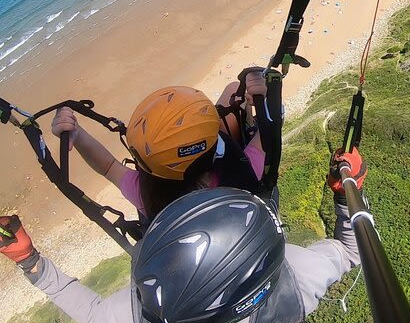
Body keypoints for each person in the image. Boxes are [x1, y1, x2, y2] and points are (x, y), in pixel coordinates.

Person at [0, 148, 368, 323]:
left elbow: (94, 314)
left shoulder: (142, 319)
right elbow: (352, 252)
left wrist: (30, 262)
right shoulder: (300, 274)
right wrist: (346, 193)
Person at [51, 73, 269, 220]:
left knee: (231, 94)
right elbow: (266, 136)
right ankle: (238, 122)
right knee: (233, 89)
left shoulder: (148, 196)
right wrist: (262, 101)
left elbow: (108, 166)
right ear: (216, 153)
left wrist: (77, 135)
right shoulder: (244, 171)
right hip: (234, 199)